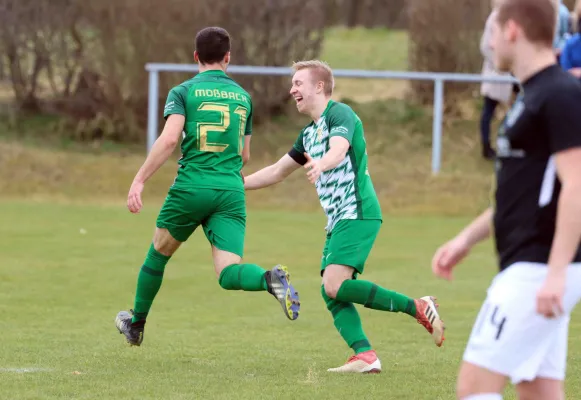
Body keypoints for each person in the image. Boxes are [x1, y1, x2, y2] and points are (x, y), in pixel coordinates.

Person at [243, 60, 445, 374]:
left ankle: (417, 307)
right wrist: (236, 184)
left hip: (358, 211)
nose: (292, 89)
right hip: (338, 219)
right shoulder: (308, 134)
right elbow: (277, 171)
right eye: (292, 84)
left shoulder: (340, 114)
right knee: (330, 289)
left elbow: (339, 148)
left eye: (299, 83)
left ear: (319, 86)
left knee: (334, 285)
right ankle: (364, 354)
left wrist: (321, 164)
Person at [431, 0, 581, 399]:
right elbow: (520, 194)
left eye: (493, 31)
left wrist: (555, 272)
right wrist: (465, 239)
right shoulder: (528, 99)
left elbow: (577, 184)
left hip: (536, 271)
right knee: (538, 390)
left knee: (474, 387)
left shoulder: (561, 94)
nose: (490, 42)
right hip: (532, 267)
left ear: (512, 30)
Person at [115, 27, 300, 346]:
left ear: (196, 57)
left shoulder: (183, 91)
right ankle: (269, 279)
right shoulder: (243, 97)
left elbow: (170, 138)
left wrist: (140, 178)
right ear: (228, 58)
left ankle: (136, 324)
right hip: (230, 191)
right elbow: (245, 155)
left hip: (192, 185)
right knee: (229, 273)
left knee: (158, 254)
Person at [479, 0, 514, 160]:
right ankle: (486, 147)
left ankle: (507, 142)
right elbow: (485, 46)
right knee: (489, 111)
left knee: (513, 110)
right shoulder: (494, 18)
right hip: (496, 74)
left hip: (508, 74)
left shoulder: (509, 18)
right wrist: (499, 63)